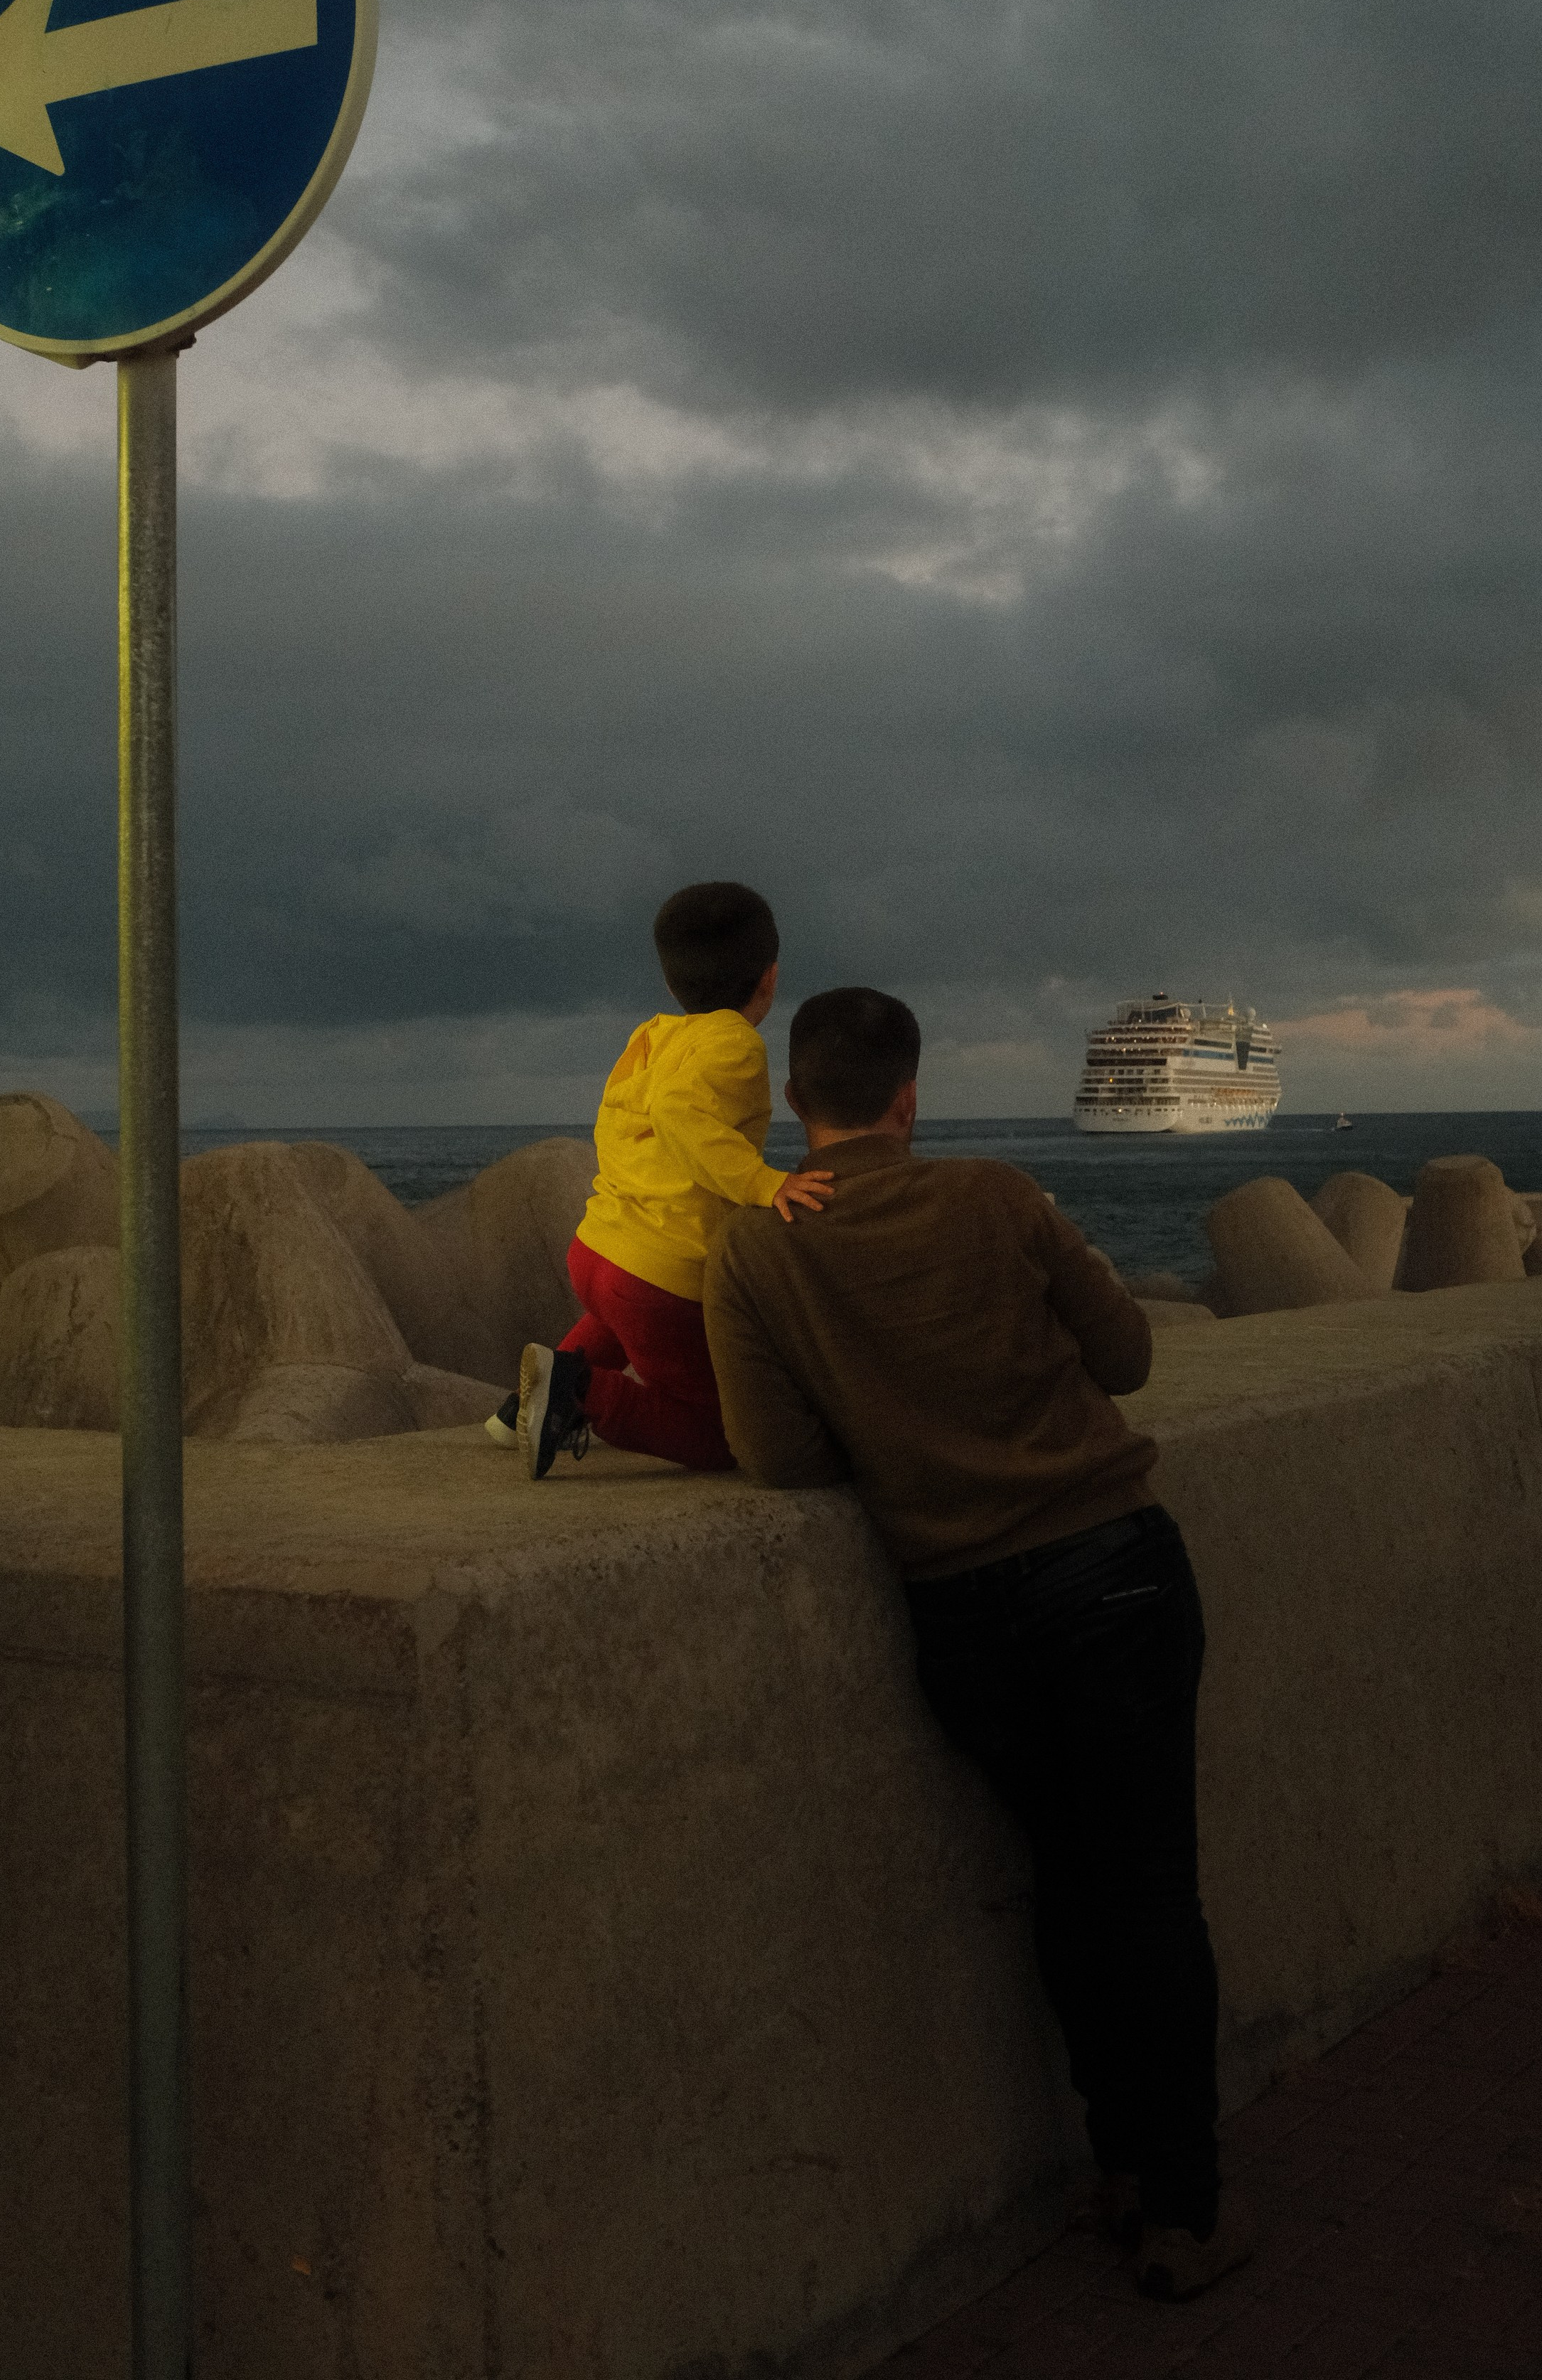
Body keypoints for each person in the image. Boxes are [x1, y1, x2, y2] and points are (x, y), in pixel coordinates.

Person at [702, 985, 1250, 2305]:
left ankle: (1120, 2165)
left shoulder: (755, 1252)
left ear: (795, 1106)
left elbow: (776, 1457)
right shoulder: (1000, 1198)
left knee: (1069, 1885)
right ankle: (1183, 2208)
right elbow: (1124, 1357)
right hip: (1113, 1572)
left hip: (963, 1610)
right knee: (1149, 1893)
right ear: (908, 1097)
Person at [499, 881, 832, 1479]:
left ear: (672, 979)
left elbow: (624, 1120)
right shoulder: (736, 1042)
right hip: (657, 1277)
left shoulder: (652, 1037)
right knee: (723, 1434)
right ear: (770, 978)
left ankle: (519, 1406)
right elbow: (681, 1113)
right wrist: (763, 1183)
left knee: (612, 1324)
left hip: (598, 1248)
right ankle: (577, 1396)